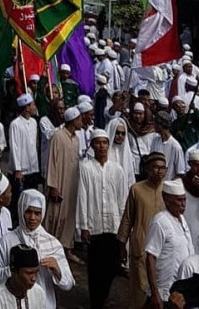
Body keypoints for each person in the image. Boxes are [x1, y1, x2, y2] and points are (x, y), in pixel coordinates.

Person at [0, 189, 74, 309]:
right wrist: (14, 270)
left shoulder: (52, 244)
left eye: (37, 213)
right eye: (28, 212)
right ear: (21, 210)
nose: (32, 218)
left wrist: (57, 270)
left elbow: (68, 284)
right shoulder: (7, 241)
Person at [76, 129, 128, 309]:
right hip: (94, 224)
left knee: (111, 264)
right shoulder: (86, 167)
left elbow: (122, 199)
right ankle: (96, 301)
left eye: (105, 142)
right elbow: (82, 197)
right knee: (95, 266)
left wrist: (123, 226)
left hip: (113, 224)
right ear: (92, 145)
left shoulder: (117, 170)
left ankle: (104, 296)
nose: (102, 146)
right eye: (98, 142)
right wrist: (83, 226)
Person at [116, 152, 167, 307]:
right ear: (147, 169)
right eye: (155, 167)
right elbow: (127, 219)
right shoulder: (137, 189)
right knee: (139, 291)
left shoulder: (168, 190)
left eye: (162, 168)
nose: (159, 171)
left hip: (163, 250)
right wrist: (121, 245)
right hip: (141, 248)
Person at [145, 179, 195, 307]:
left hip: (180, 291)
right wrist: (155, 293)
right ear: (167, 200)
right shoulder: (160, 222)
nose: (183, 204)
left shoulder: (182, 220)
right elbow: (150, 257)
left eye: (184, 200)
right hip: (164, 292)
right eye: (179, 200)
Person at [44, 106, 82, 264]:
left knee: (69, 217)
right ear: (73, 120)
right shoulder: (58, 136)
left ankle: (67, 249)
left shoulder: (77, 138)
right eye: (79, 119)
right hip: (59, 182)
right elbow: (51, 162)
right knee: (54, 216)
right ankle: (49, 250)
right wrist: (53, 186)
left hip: (72, 184)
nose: (81, 121)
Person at [0, 244, 47, 309]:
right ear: (14, 271)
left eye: (36, 272)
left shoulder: (39, 293)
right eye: (29, 273)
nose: (34, 278)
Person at [8, 94, 40, 213]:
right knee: (19, 199)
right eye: (32, 105)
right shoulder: (15, 124)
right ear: (27, 107)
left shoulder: (33, 122)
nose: (34, 107)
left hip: (32, 167)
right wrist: (18, 169)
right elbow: (14, 147)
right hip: (20, 170)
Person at [150, 111, 186, 181]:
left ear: (160, 125)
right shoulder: (155, 140)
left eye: (155, 123)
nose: (153, 125)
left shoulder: (175, 147)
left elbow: (180, 173)